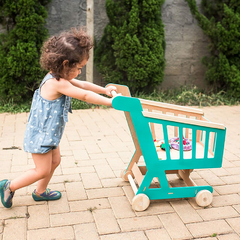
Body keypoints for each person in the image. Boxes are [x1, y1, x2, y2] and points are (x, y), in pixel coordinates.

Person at [0, 27, 117, 208]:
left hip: (50, 134)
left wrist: (105, 90)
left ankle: (40, 192)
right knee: (42, 170)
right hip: (41, 136)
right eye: (78, 68)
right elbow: (84, 96)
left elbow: (84, 85)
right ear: (65, 64)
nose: (79, 72)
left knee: (55, 161)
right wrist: (110, 103)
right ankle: (9, 186)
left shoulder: (60, 77)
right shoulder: (56, 83)